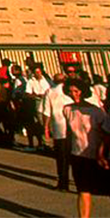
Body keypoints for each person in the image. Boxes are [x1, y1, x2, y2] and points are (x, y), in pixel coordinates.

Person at [61, 78, 110, 218]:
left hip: (96, 156)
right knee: (83, 189)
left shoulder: (96, 112)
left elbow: (105, 135)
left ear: (83, 91)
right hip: (78, 155)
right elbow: (70, 133)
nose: (74, 94)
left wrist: (102, 154)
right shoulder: (67, 109)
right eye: (70, 91)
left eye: (76, 91)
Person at [43, 70, 75, 191]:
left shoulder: (50, 92)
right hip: (75, 127)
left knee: (62, 157)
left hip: (58, 128)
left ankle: (63, 182)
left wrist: (46, 126)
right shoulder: (72, 91)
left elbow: (46, 112)